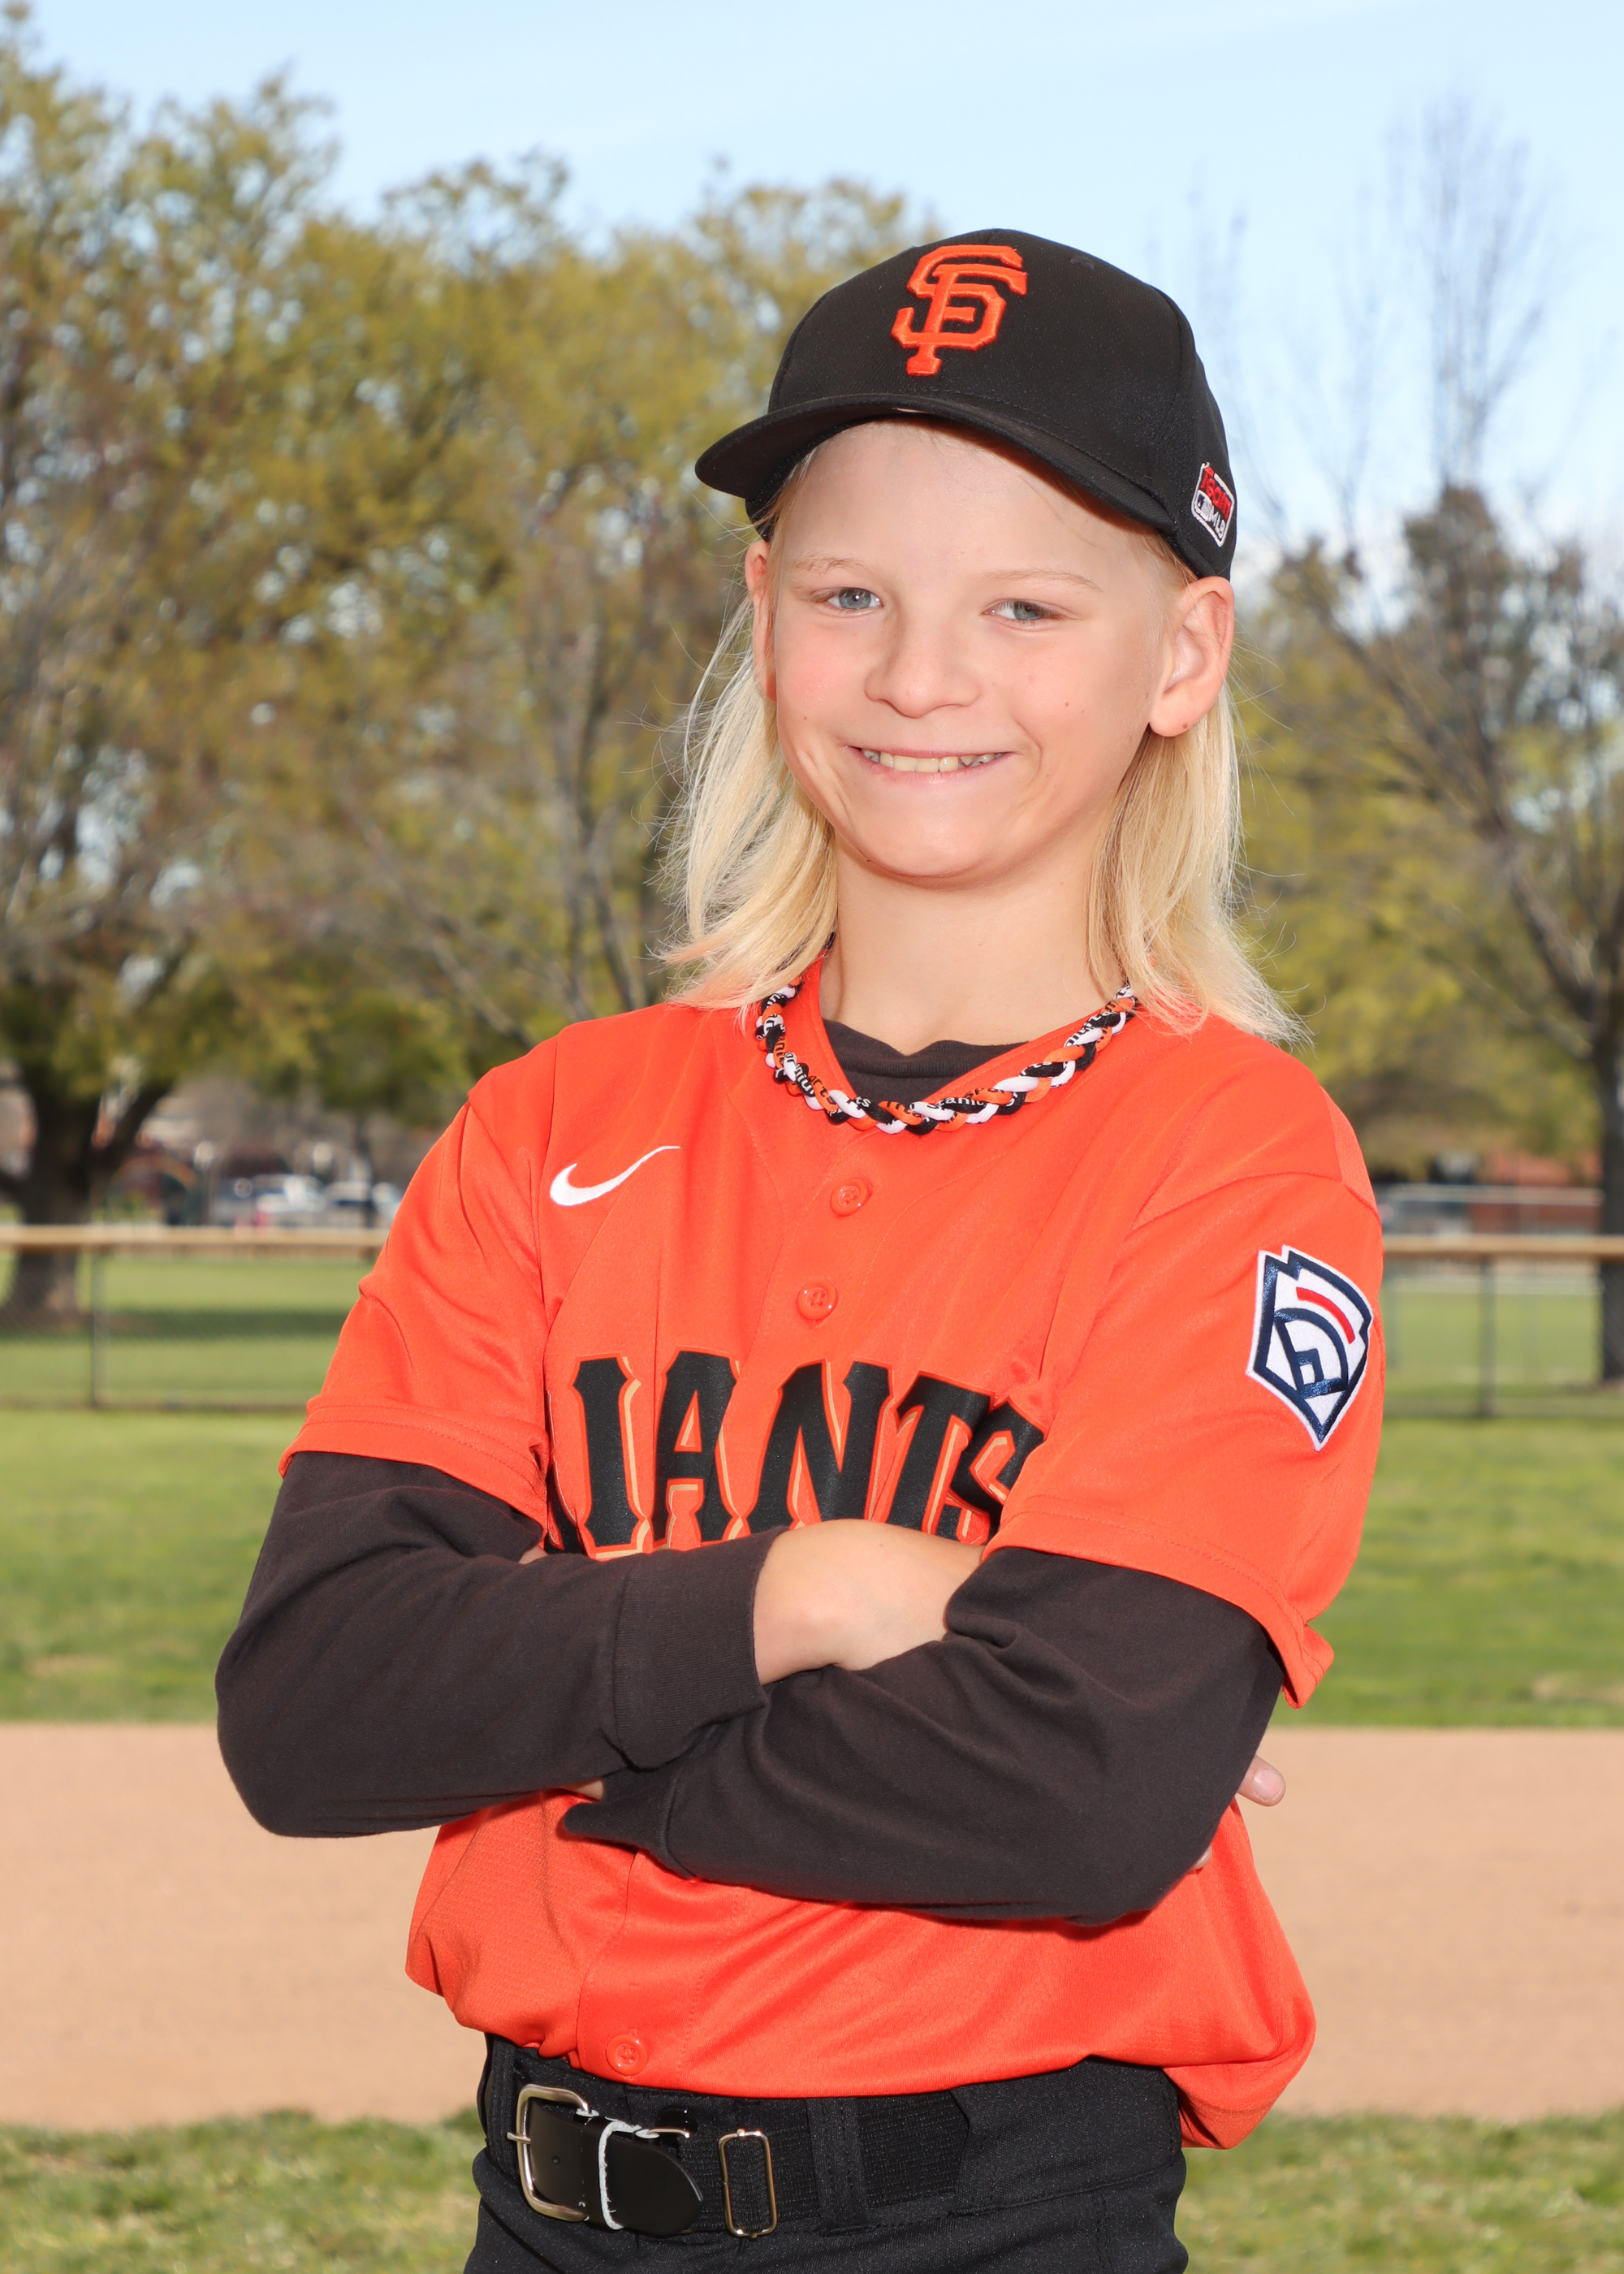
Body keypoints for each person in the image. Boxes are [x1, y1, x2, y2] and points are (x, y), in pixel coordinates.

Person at [218, 228, 1383, 2273]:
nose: (921, 675)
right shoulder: (553, 1125)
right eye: (852, 595)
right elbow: (315, 1700)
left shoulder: (1232, 1156)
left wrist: (555, 1733)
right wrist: (809, 1590)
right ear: (764, 621)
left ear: (1181, 655)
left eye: (1024, 605)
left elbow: (1080, 1785)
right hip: (542, 2215)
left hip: (992, 2216)